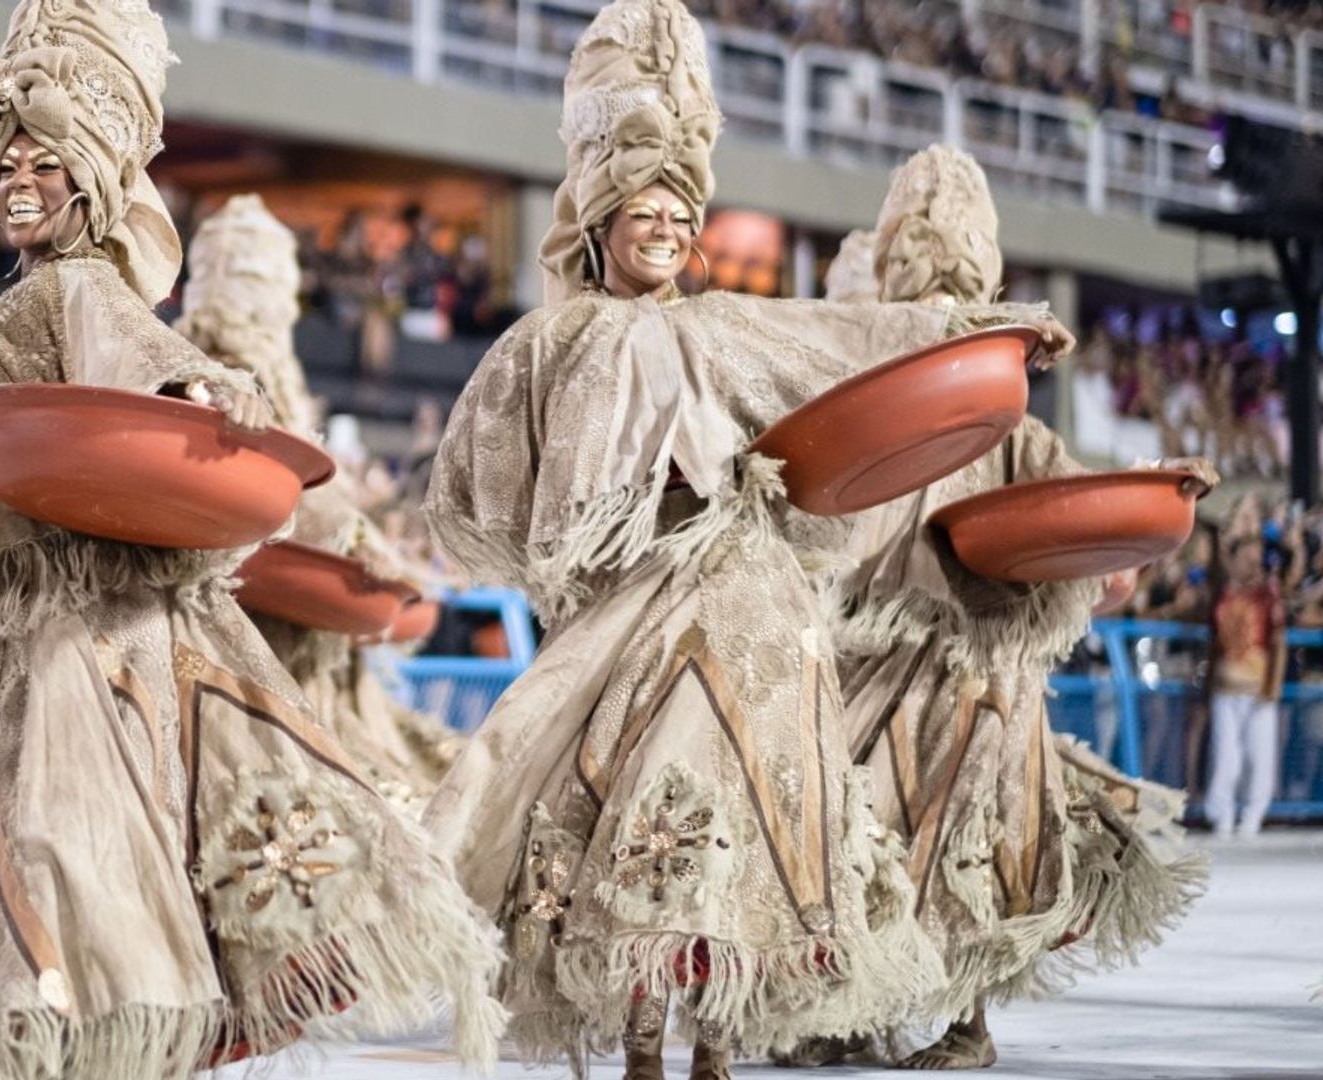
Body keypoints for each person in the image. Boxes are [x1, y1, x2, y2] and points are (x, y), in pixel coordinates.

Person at [0, 7, 501, 1078]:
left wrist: (188, 391)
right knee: (6, 853)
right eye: (9, 160)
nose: (20, 180)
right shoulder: (33, 294)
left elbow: (142, 362)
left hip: (56, 631)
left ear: (89, 177)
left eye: (46, 160)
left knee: (43, 847)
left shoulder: (80, 287)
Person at [420, 6, 1073, 1077]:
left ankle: (717, 1043)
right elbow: (481, 480)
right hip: (630, 621)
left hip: (752, 616)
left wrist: (981, 330)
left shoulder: (723, 326)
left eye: (683, 205)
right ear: (597, 216)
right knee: (638, 816)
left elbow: (853, 338)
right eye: (643, 204)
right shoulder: (545, 342)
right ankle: (642, 1044)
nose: (668, 223)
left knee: (744, 822)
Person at [817, 144, 1212, 1070]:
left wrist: (1153, 490)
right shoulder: (871, 410)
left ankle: (968, 1026)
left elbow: (1070, 503)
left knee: (977, 845)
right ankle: (848, 1012)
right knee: (856, 836)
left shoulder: (1016, 429)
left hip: (982, 669)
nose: (941, 320)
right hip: (867, 660)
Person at [174, 194, 459, 802]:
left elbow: (315, 493)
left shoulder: (267, 385)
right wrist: (358, 538)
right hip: (230, 645)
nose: (241, 304)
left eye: (253, 281)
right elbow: (281, 494)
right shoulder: (198, 383)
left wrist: (365, 533)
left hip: (298, 649)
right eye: (232, 277)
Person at [1207, 534, 1286, 839]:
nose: (1252, 563)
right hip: (1225, 687)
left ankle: (1253, 815)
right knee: (1226, 754)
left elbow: (1278, 642)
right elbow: (1214, 641)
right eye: (1247, 556)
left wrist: (1272, 685)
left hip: (1256, 688)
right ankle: (1221, 814)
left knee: (1258, 755)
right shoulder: (1222, 594)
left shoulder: (1268, 595)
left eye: (1256, 557)